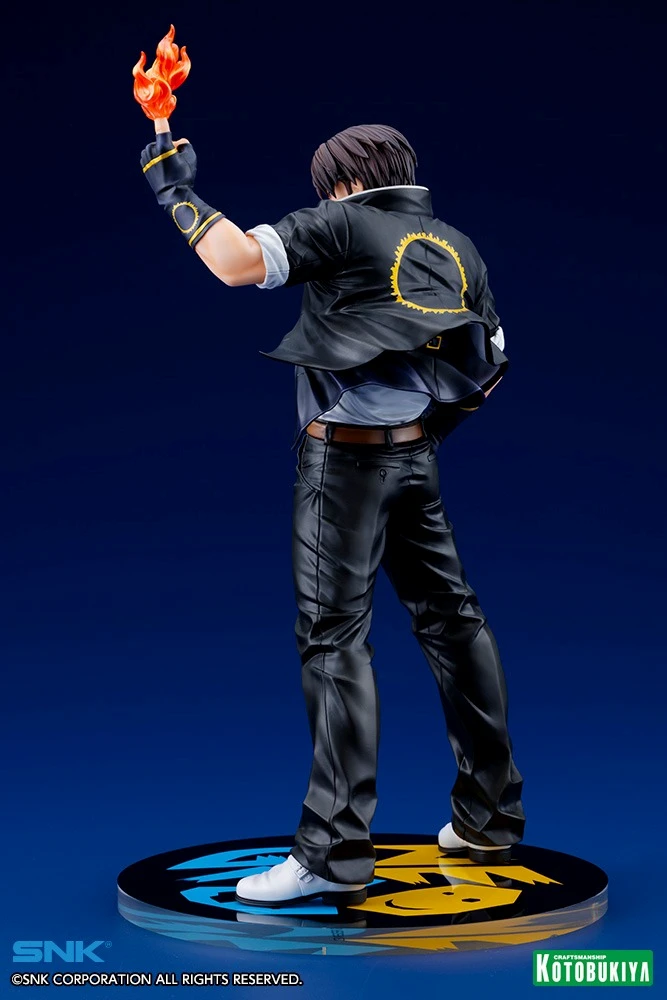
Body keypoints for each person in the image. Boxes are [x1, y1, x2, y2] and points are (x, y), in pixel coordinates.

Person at [141, 123, 525, 908]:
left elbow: (233, 263)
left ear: (343, 182)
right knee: (453, 621)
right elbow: (490, 363)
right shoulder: (455, 244)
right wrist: (422, 432)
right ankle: (489, 816)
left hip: (341, 466)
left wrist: (171, 183)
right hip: (415, 459)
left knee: (333, 640)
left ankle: (333, 850)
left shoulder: (343, 222)